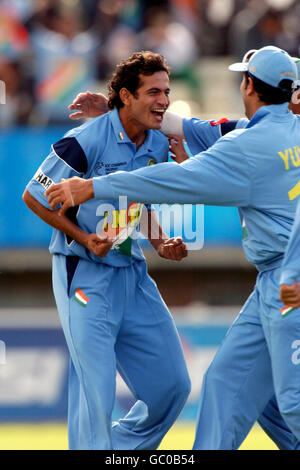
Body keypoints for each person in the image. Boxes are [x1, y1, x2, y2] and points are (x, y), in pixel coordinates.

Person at [45, 46, 300, 449]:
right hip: (269, 284)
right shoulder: (272, 128)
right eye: (153, 93)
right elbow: (196, 128)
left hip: (289, 283)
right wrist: (118, 113)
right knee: (224, 384)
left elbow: (169, 180)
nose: (162, 100)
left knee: (289, 402)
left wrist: (93, 186)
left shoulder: (247, 144)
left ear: (248, 85)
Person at [23, 51, 191, 450]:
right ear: (126, 96)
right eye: (153, 92)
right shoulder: (85, 140)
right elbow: (33, 196)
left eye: (166, 91)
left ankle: (116, 450)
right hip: (84, 275)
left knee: (173, 386)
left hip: (132, 274)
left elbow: (142, 198)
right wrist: (84, 240)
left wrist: (160, 242)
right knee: (95, 393)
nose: (164, 100)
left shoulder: (157, 141)